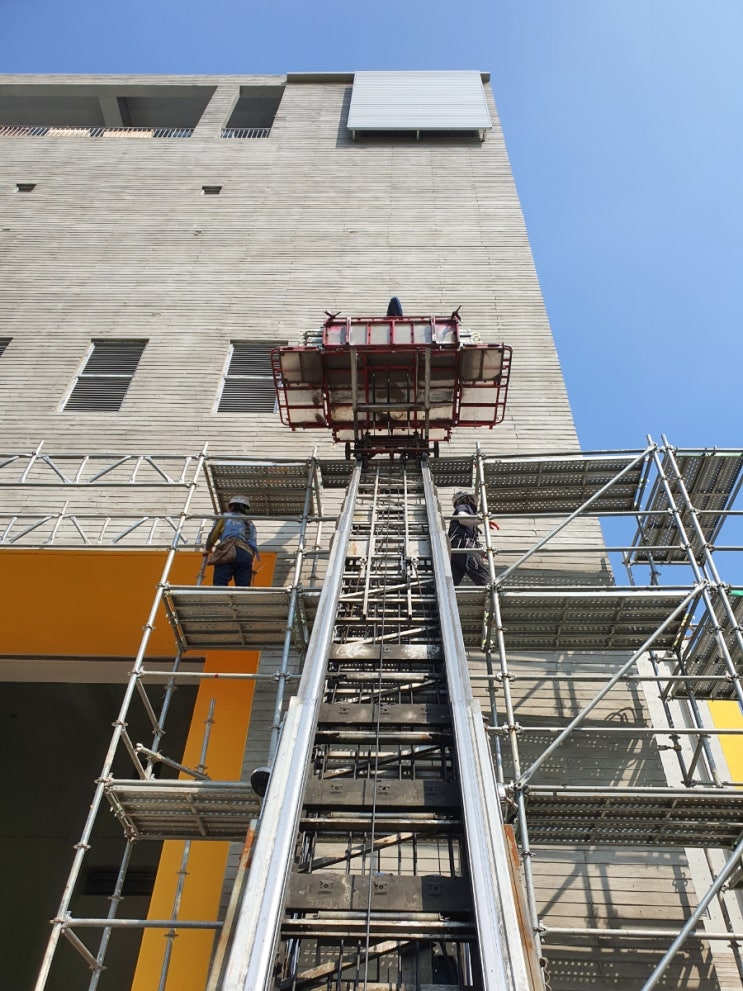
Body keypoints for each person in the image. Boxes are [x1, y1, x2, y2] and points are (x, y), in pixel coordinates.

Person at [204, 494, 260, 587]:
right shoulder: (250, 523)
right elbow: (253, 543)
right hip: (246, 554)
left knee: (220, 581)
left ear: (231, 506)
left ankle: (220, 600)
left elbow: (214, 534)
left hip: (228, 549)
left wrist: (208, 547)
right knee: (243, 586)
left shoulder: (226, 517)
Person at [448, 490, 491, 586]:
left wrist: (481, 552)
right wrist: (484, 519)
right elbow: (464, 519)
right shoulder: (464, 507)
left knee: (450, 584)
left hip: (455, 550)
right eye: (470, 499)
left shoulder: (472, 520)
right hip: (464, 546)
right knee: (484, 580)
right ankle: (492, 598)